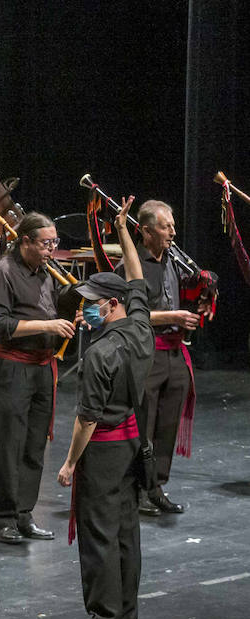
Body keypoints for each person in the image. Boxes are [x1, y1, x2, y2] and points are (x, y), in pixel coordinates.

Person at [57, 196, 151, 619]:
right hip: (133, 446)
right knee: (127, 532)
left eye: (93, 303)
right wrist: (123, 232)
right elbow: (137, 277)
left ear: (110, 305)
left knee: (98, 534)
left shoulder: (100, 353)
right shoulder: (139, 328)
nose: (85, 310)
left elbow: (86, 419)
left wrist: (70, 463)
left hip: (105, 449)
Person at [0, 212, 74, 543]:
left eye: (55, 243)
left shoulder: (46, 272)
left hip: (41, 365)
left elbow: (52, 310)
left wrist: (70, 312)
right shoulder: (3, 273)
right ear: (25, 241)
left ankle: (24, 513)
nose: (52, 249)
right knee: (12, 444)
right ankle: (4, 518)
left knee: (35, 444)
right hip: (13, 366)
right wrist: (48, 326)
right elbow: (1, 326)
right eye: (46, 243)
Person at [134, 200, 201, 517]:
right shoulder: (133, 265)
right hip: (148, 354)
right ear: (146, 231)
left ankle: (156, 487)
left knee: (167, 425)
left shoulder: (176, 260)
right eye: (165, 227)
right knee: (143, 426)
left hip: (176, 352)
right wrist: (171, 315)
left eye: (173, 225)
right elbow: (128, 316)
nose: (173, 232)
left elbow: (188, 292)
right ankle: (138, 490)